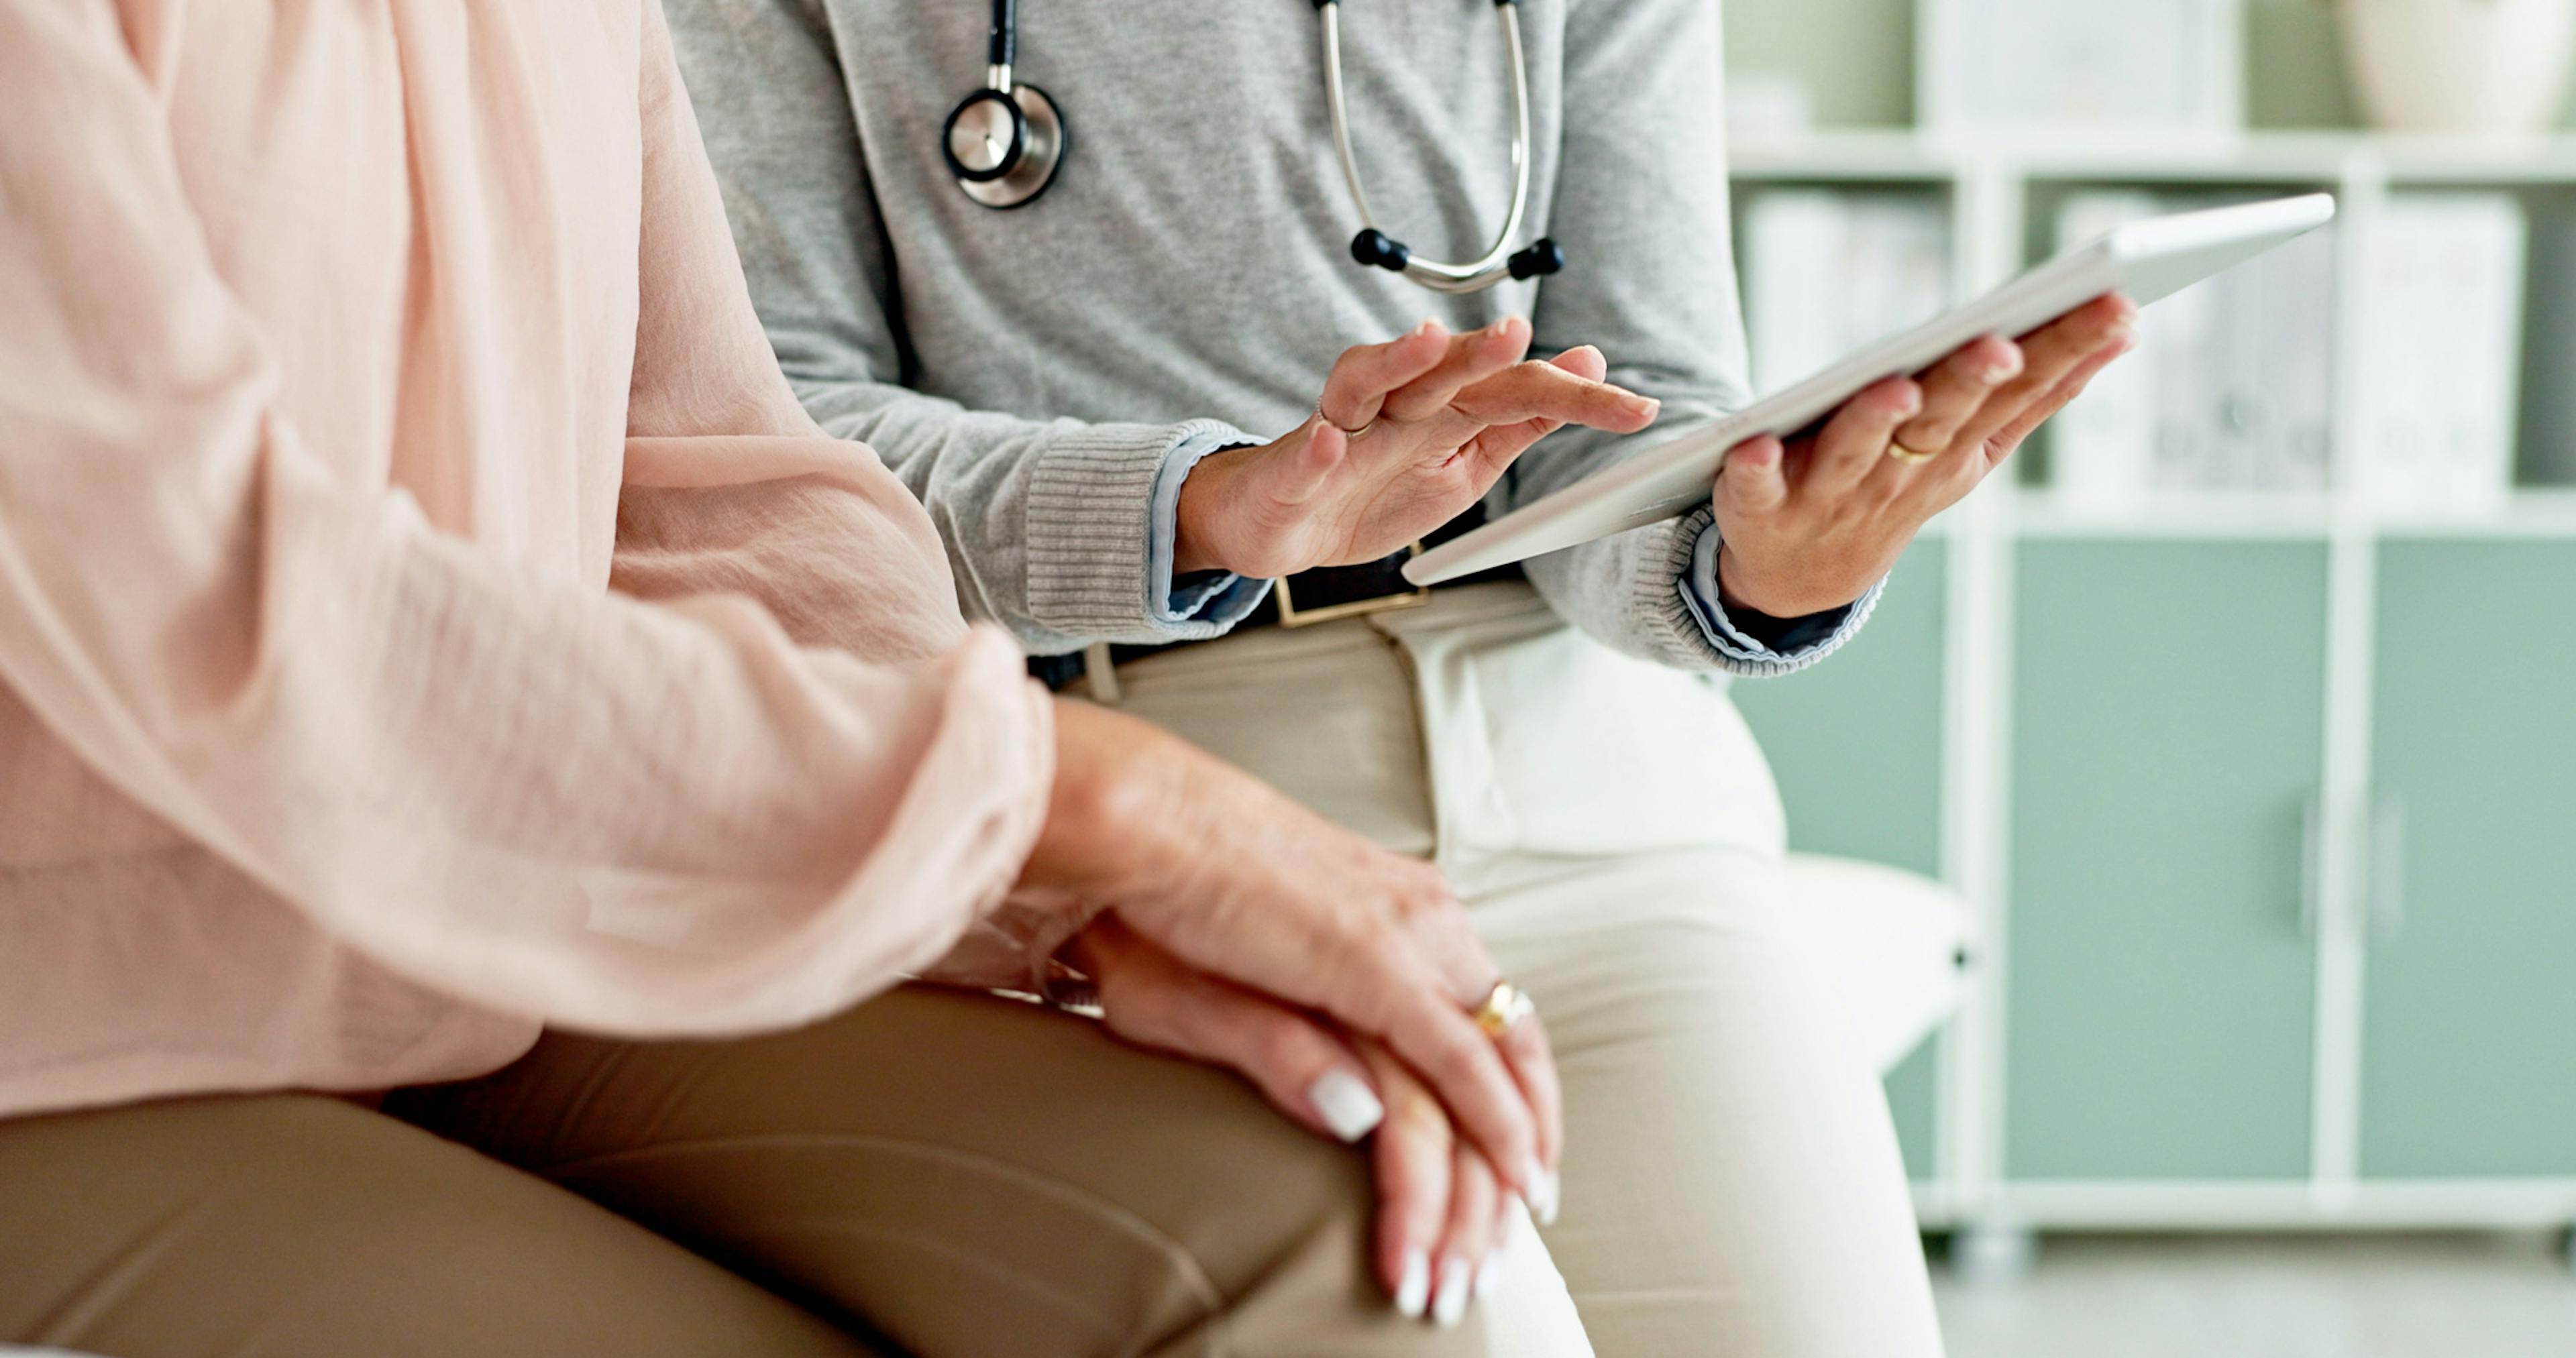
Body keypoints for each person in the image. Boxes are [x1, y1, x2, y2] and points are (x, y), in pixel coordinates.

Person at [0, 3, 1607, 1354]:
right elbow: (190, 573)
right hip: (75, 1030)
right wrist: (1085, 804)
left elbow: (714, 496)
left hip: (504, 955)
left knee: (1343, 1251)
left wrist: (1064, 899)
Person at [665, 1, 2137, 1352]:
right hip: (1171, 809)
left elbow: (1632, 414)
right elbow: (780, 449)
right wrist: (1205, 506)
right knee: (1459, 1330)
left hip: (1605, 777)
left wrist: (1761, 569)